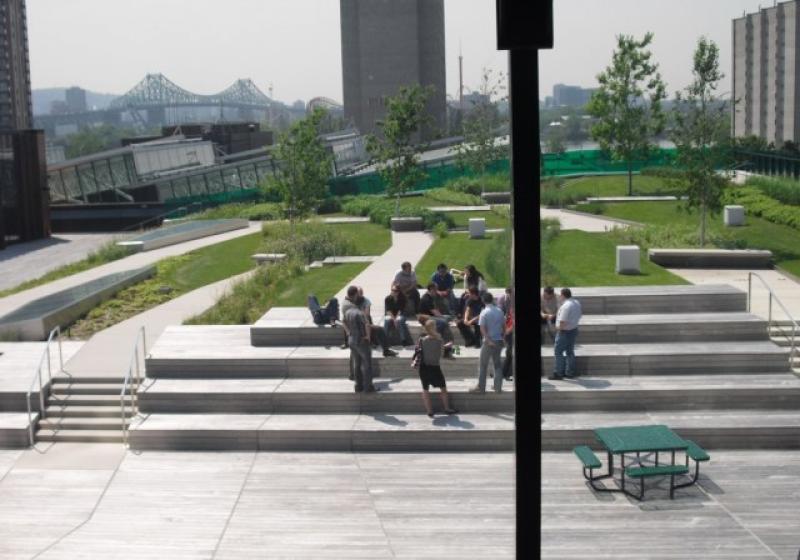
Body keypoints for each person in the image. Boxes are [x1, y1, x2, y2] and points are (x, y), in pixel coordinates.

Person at [413, 319, 458, 417]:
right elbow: (441, 355)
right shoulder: (439, 340)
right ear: (434, 328)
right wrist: (447, 346)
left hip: (423, 367)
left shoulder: (421, 339)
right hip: (434, 367)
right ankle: (447, 408)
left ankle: (430, 411)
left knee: (425, 389)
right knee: (443, 388)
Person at [470, 292, 507, 393]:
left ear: (483, 300)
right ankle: (498, 387)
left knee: (483, 365)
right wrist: (503, 337)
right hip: (499, 340)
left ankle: (481, 388)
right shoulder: (500, 311)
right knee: (497, 364)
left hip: (489, 342)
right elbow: (504, 326)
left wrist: (488, 340)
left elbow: (482, 328)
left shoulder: (484, 312)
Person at [344, 295, 377, 393]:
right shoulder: (360, 314)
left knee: (356, 364)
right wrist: (368, 336)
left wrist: (348, 332)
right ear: (362, 304)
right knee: (367, 364)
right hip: (361, 341)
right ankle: (368, 387)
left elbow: (343, 322)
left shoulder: (348, 312)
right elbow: (367, 324)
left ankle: (358, 386)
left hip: (351, 340)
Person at [549, 287, 582, 380]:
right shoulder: (576, 303)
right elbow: (579, 315)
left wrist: (559, 329)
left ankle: (558, 373)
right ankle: (570, 372)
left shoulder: (566, 306)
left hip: (564, 331)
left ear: (563, 295)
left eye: (560, 295)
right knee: (570, 351)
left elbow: (563, 321)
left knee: (558, 352)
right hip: (573, 329)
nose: (559, 296)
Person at [357, 287, 397, 357]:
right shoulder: (351, 302)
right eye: (359, 293)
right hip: (356, 324)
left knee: (379, 328)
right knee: (369, 323)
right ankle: (371, 341)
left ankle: (385, 350)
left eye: (361, 293)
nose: (360, 295)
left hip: (364, 322)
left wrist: (365, 320)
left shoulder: (366, 300)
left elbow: (367, 314)